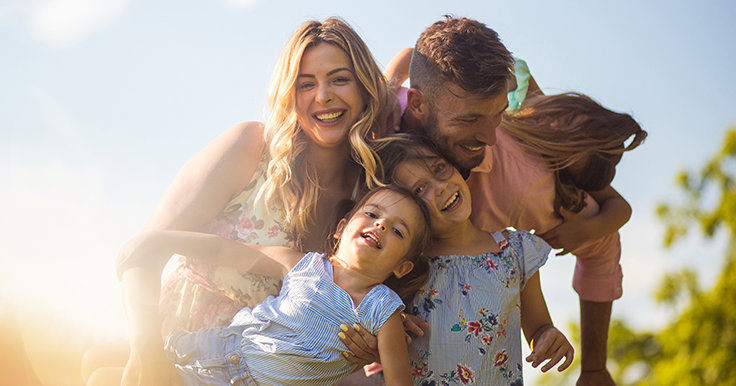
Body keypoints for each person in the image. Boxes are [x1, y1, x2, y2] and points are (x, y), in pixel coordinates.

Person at [81, 17, 398, 383]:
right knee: (98, 370)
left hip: (271, 371)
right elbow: (142, 254)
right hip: (177, 349)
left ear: (364, 89)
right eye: (305, 83)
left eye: (339, 79)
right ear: (288, 93)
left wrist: (368, 343)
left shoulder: (370, 200)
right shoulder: (249, 148)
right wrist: (145, 354)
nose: (322, 95)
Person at [381, 16, 646, 386]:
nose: (491, 136)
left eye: (500, 113)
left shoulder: (522, 179)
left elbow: (602, 241)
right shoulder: (371, 125)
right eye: (472, 119)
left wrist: (595, 368)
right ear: (419, 104)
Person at [90, 186, 432, 386]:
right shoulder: (303, 264)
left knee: (104, 379)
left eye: (398, 231)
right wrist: (161, 240)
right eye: (372, 214)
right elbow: (227, 250)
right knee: (96, 360)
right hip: (213, 348)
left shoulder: (382, 309)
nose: (382, 225)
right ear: (342, 228)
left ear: (401, 267)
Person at [374, 135, 574, 385]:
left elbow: (540, 328)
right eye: (420, 189)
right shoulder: (404, 267)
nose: (441, 187)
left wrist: (549, 338)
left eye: (439, 169)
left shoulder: (514, 251)